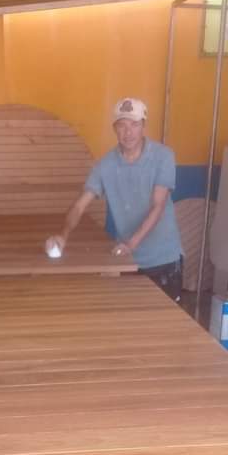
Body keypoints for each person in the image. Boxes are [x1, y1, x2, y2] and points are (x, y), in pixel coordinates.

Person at [48, 97, 183, 302]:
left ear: (143, 126)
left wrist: (131, 244)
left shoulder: (163, 157)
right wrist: (63, 236)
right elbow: (79, 206)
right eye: (122, 125)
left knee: (164, 321)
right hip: (127, 262)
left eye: (134, 125)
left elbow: (158, 206)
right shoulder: (105, 166)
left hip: (163, 260)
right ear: (114, 128)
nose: (128, 133)